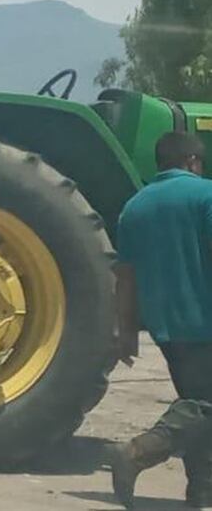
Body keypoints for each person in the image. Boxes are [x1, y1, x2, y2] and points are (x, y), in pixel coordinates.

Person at [111, 131, 212, 509]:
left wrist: (126, 331)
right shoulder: (206, 195)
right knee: (203, 406)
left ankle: (201, 493)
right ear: (192, 162)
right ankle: (139, 452)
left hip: (165, 327)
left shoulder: (135, 206)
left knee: (196, 405)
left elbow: (125, 276)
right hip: (204, 320)